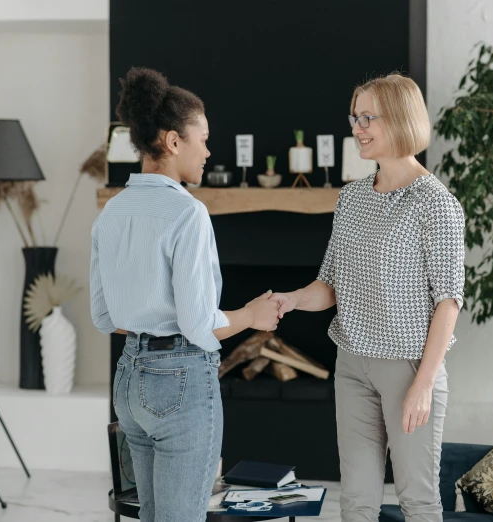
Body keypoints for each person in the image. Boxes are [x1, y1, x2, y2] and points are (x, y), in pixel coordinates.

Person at [270, 74, 465, 522]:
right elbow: (331, 284)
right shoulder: (352, 198)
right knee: (356, 502)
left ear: (398, 119)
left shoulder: (435, 203)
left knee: (418, 499)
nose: (356, 127)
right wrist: (293, 299)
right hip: (352, 364)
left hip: (409, 368)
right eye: (353, 117)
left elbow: (448, 302)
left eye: (366, 117)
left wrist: (422, 385)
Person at [90, 67, 280, 522]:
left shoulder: (110, 212)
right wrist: (251, 315)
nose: (208, 151)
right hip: (179, 384)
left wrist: (148, 321)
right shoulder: (188, 213)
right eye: (204, 138)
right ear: (174, 142)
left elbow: (103, 316)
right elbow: (198, 324)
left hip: (128, 382)